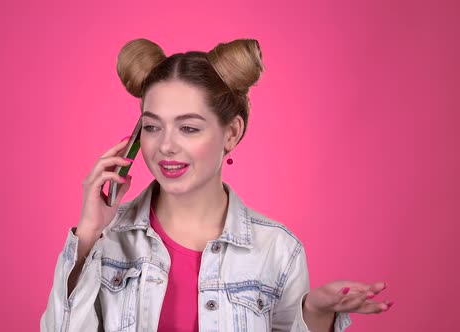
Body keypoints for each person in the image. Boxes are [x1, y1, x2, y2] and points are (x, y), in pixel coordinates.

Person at [41, 38, 393, 332]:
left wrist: (314, 314)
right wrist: (88, 234)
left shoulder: (278, 251)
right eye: (151, 126)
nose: (165, 146)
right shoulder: (105, 242)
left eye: (189, 128)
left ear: (232, 132)